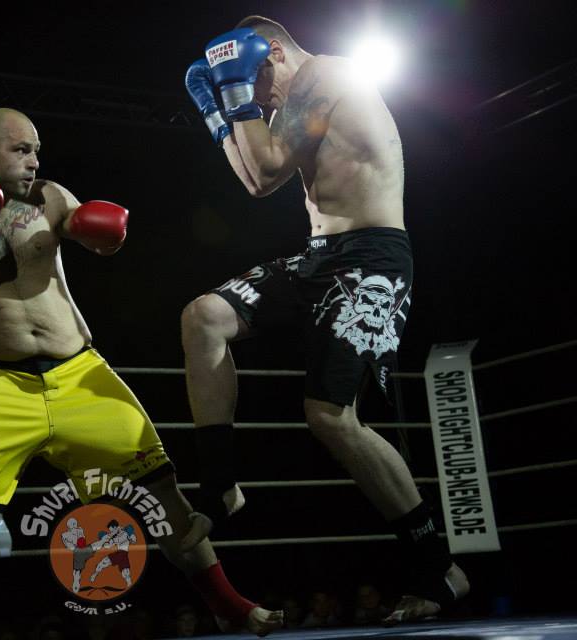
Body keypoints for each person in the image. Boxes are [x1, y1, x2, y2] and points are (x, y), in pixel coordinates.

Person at [0, 108, 283, 639]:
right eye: (21, 150)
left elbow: (98, 237)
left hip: (80, 374)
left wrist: (104, 237)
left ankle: (230, 606)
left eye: (36, 150)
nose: (34, 161)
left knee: (161, 489)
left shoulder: (50, 196)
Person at [181, 16, 469, 623]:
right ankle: (219, 484)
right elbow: (254, 177)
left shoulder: (327, 76)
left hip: (372, 258)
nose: (261, 101)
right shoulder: (291, 98)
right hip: (319, 257)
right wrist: (219, 114)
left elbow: (264, 172)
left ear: (272, 53)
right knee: (204, 316)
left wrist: (232, 95)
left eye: (257, 83)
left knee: (332, 417)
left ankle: (439, 567)